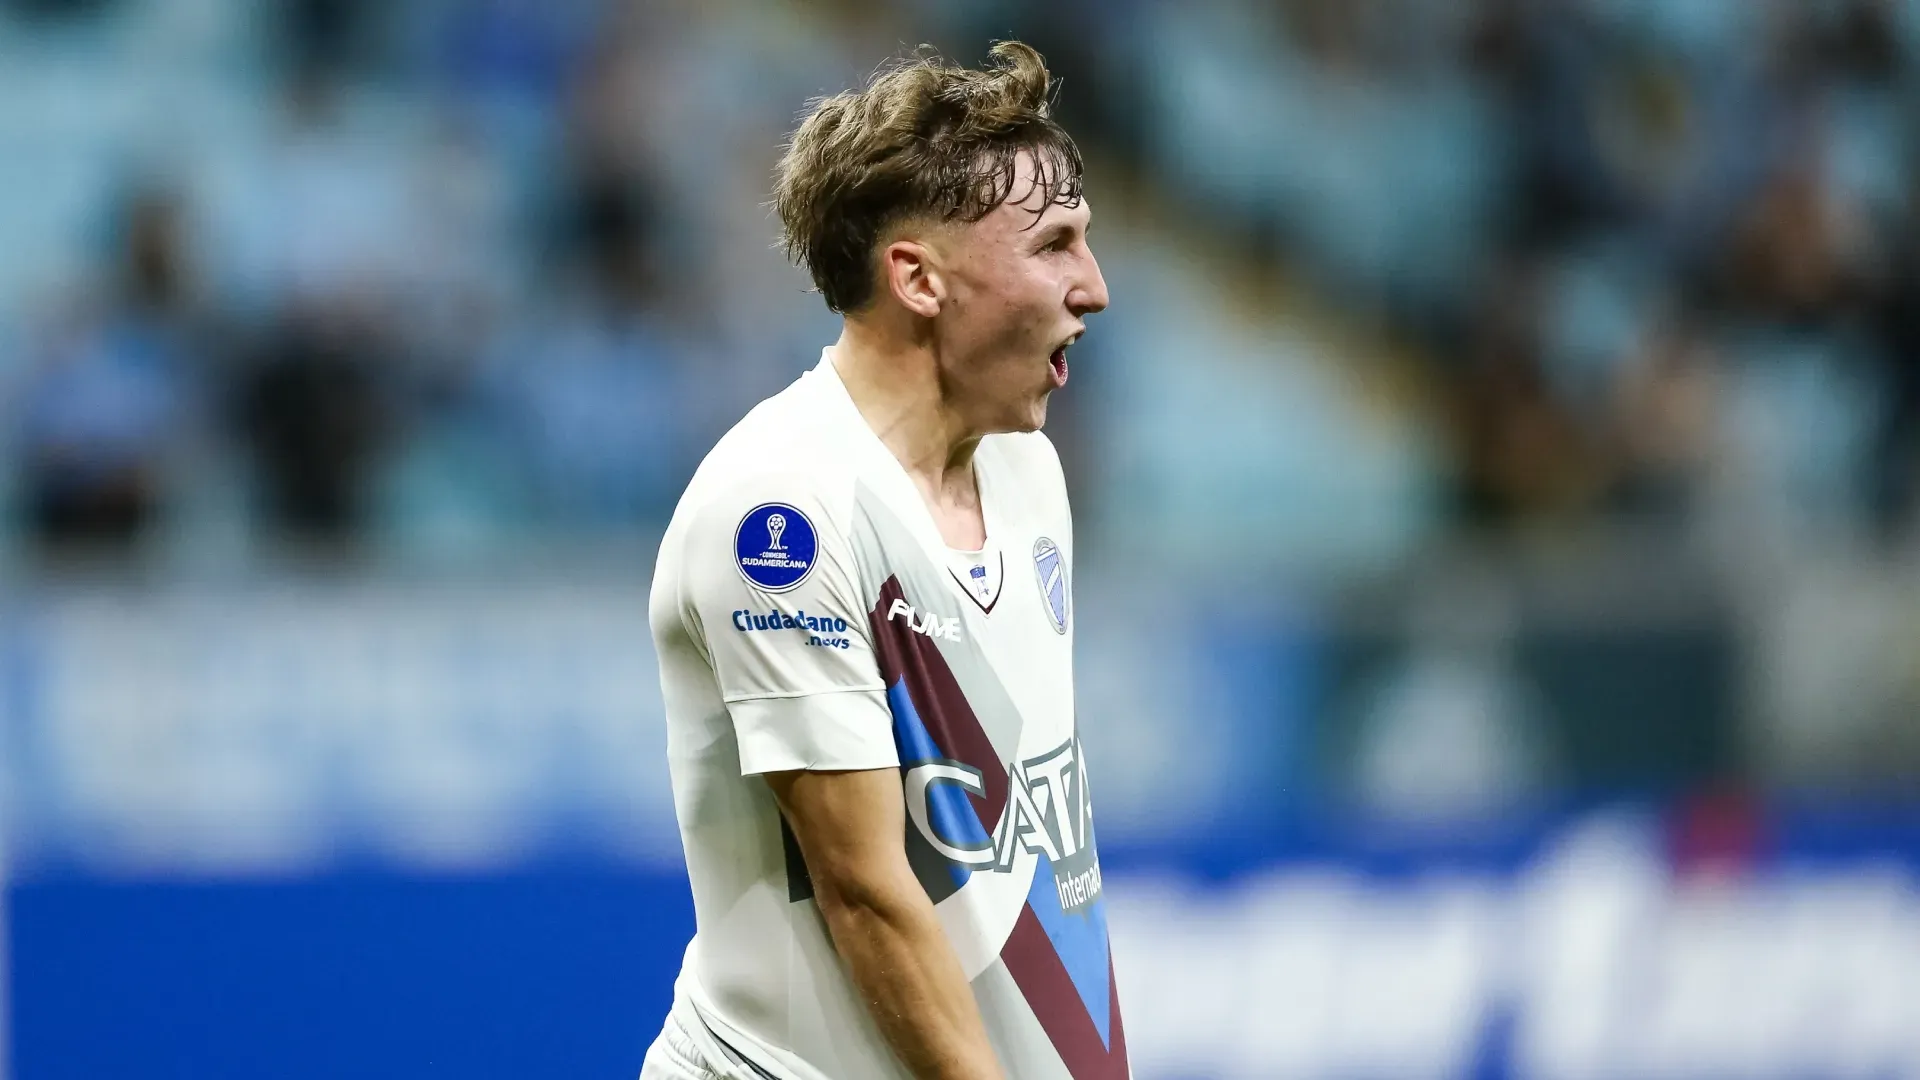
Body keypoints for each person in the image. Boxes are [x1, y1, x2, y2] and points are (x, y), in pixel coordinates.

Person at [642, 41, 1124, 1080]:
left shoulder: (1027, 468)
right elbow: (864, 891)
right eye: (1054, 244)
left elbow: (1031, 868)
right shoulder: (781, 516)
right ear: (917, 278)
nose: (1094, 287)